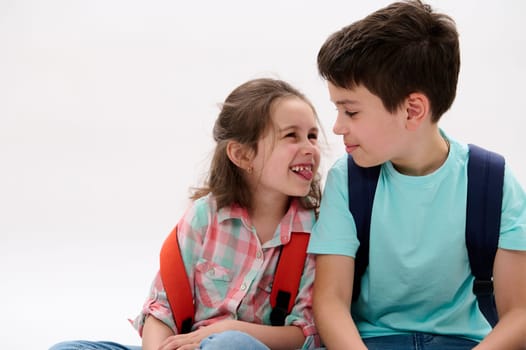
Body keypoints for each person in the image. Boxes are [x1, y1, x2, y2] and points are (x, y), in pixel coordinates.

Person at [306, 1, 526, 349]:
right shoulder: (346, 181)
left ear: (412, 110)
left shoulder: (494, 183)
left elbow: (519, 314)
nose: (337, 127)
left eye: (350, 111)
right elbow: (330, 302)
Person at [49, 78, 323, 350]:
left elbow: (306, 333)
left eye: (312, 135)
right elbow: (161, 311)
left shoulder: (316, 232)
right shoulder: (205, 217)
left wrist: (231, 329)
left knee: (229, 344)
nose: (310, 148)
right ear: (242, 155)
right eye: (291, 136)